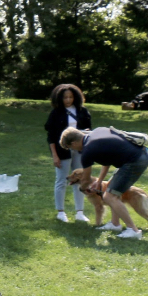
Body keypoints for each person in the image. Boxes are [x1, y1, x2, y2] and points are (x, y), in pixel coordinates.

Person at [59, 125, 148, 240]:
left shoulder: (87, 150)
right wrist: (99, 182)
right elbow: (106, 161)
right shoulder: (97, 132)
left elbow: (86, 179)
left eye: (70, 148)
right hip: (139, 155)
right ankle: (115, 224)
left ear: (73, 143)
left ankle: (133, 230)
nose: (74, 150)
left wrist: (82, 189)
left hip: (134, 161)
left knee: (109, 196)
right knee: (111, 193)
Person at [45, 84, 92, 224]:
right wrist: (54, 155)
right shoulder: (55, 113)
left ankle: (80, 212)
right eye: (65, 97)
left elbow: (89, 132)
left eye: (71, 97)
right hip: (62, 150)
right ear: (60, 98)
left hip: (80, 150)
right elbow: (51, 137)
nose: (68, 100)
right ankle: (61, 212)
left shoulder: (83, 112)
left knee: (80, 180)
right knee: (61, 181)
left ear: (76, 97)